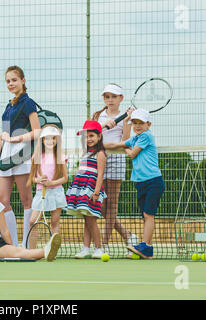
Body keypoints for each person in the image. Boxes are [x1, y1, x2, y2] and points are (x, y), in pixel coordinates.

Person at [0, 65, 41, 247]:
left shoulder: (28, 103)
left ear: (23, 81)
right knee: (2, 202)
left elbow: (37, 131)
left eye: (14, 80)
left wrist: (15, 139)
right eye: (8, 81)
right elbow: (3, 136)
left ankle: (27, 245)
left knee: (26, 200)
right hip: (5, 158)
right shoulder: (8, 105)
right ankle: (12, 244)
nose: (11, 84)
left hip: (21, 155)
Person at [104, 109, 165, 259]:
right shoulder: (135, 138)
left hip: (153, 181)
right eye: (134, 123)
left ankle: (145, 246)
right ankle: (146, 249)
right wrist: (100, 144)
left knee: (148, 215)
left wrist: (125, 146)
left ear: (148, 124)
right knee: (145, 215)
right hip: (141, 182)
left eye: (141, 123)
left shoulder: (145, 136)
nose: (137, 126)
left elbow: (131, 154)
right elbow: (116, 144)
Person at [92, 83, 138, 256]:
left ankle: (104, 244)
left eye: (114, 96)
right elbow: (91, 138)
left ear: (121, 99)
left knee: (112, 205)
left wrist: (125, 121)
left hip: (117, 160)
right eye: (107, 97)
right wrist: (103, 128)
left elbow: (126, 139)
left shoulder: (126, 117)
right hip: (99, 159)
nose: (110, 100)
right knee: (101, 205)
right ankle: (127, 235)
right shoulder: (97, 115)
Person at [66, 120, 107, 259]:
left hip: (91, 189)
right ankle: (85, 248)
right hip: (81, 187)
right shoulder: (86, 152)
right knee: (87, 219)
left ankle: (99, 248)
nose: (88, 139)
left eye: (91, 136)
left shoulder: (100, 153)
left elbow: (100, 174)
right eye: (86, 136)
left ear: (99, 137)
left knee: (91, 220)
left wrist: (96, 192)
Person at [27, 126, 68, 244]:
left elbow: (65, 178)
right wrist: (39, 179)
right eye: (47, 138)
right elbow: (32, 178)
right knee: (32, 221)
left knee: (54, 222)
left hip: (56, 192)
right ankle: (32, 252)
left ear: (57, 140)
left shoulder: (60, 156)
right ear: (42, 140)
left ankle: (52, 251)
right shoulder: (36, 157)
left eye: (53, 138)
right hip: (41, 193)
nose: (50, 141)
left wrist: (51, 183)